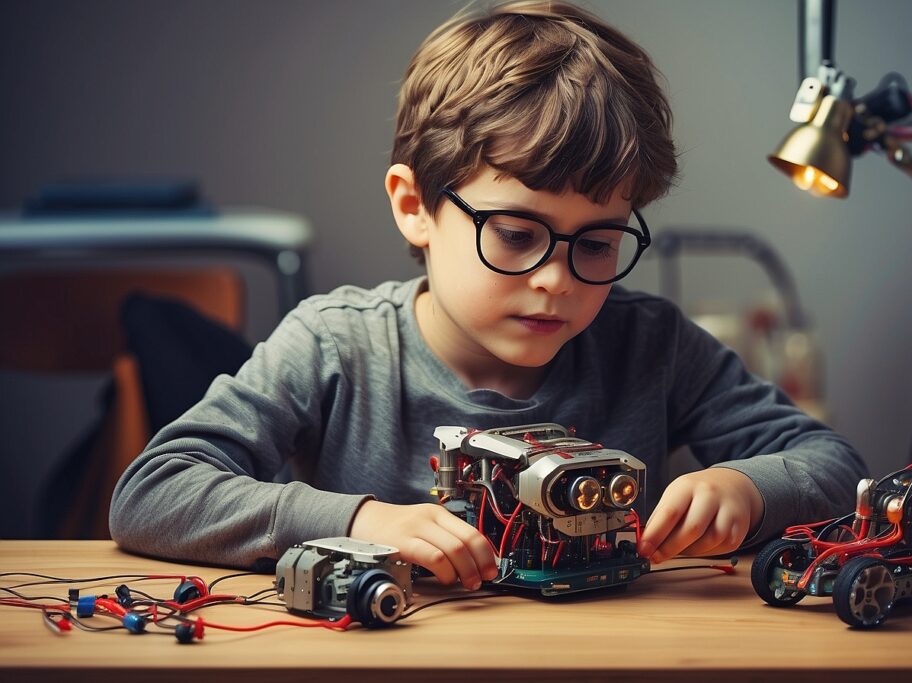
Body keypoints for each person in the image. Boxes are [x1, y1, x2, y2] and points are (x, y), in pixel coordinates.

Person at [109, 0, 866, 589]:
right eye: (514, 233)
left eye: (597, 243)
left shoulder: (652, 346)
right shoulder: (336, 345)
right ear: (415, 206)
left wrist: (749, 485)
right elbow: (152, 491)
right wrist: (358, 519)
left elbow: (833, 463)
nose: (556, 279)